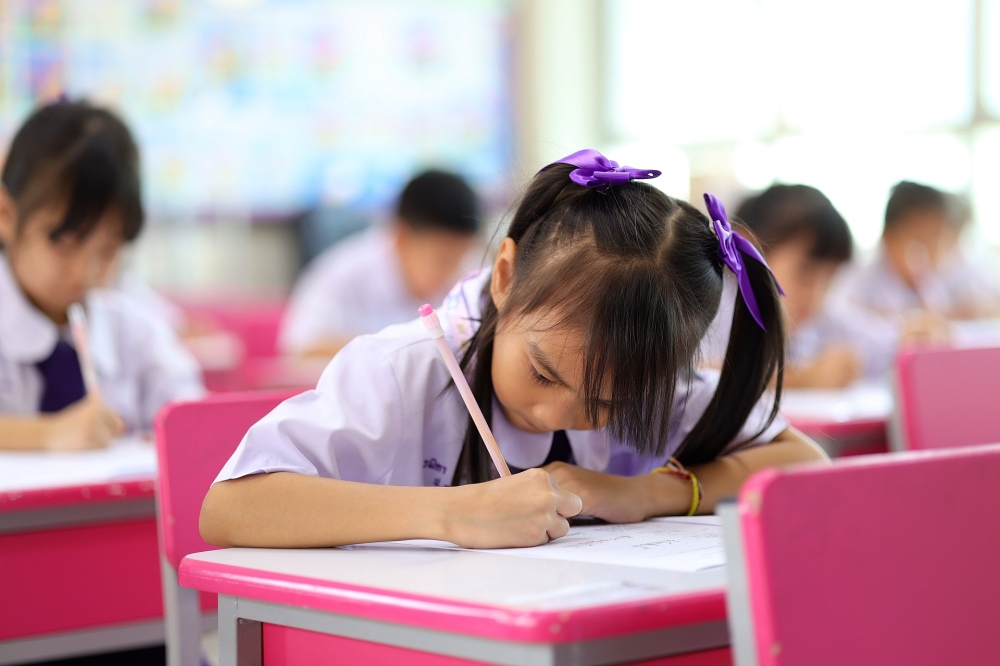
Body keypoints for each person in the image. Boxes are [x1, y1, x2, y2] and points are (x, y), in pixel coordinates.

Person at [200, 149, 825, 550]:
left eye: (609, 403)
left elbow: (804, 463)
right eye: (543, 373)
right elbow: (231, 507)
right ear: (505, 276)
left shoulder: (646, 375)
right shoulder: (403, 370)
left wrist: (644, 493)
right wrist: (451, 514)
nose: (557, 414)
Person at [0, 99, 204, 451]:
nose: (85, 272)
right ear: (5, 215)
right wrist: (45, 435)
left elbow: (196, 423)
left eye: (108, 250)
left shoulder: (134, 330)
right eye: (63, 243)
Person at [279, 170, 482, 358]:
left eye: (460, 257)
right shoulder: (340, 275)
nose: (452, 270)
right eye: (441, 259)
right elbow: (303, 351)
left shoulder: (474, 272)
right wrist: (404, 352)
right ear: (402, 236)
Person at [701, 185, 862, 388]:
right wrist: (801, 378)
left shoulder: (810, 322)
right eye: (805, 272)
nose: (816, 296)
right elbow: (691, 375)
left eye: (829, 278)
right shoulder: (710, 307)